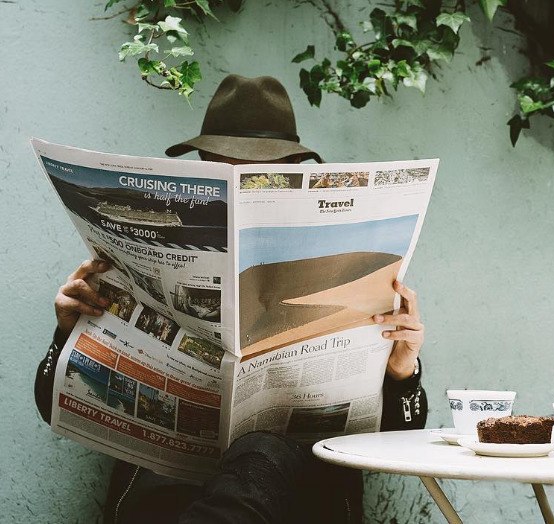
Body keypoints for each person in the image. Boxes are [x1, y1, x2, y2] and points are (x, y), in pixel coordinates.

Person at [34, 75, 428, 523]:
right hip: (168, 492)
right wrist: (67, 334)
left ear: (293, 170)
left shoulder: (354, 265)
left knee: (261, 453)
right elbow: (52, 405)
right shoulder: (135, 258)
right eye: (224, 172)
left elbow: (402, 435)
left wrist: (403, 372)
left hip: (298, 498)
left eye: (256, 176)